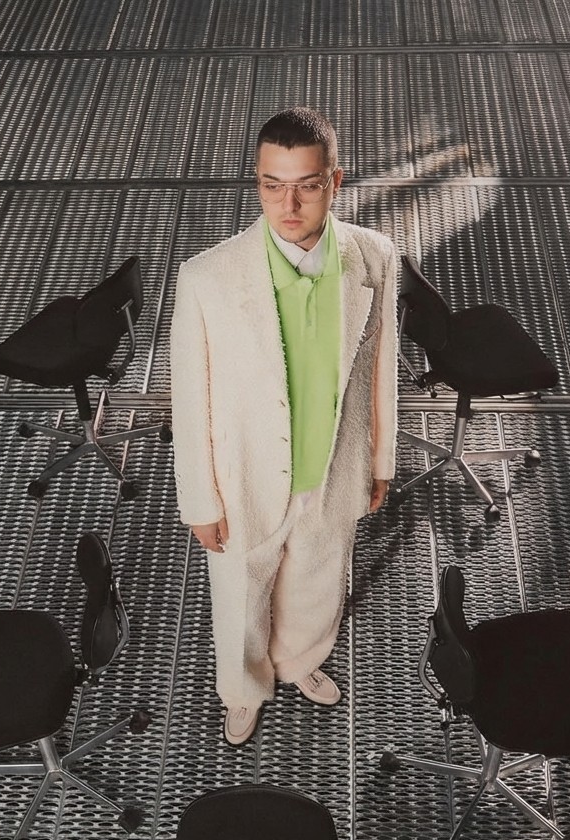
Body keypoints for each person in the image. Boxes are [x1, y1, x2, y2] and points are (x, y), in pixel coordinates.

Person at [170, 106, 397, 745]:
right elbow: (191, 399)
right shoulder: (207, 277)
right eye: (272, 184)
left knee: (318, 583)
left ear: (335, 181)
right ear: (257, 181)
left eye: (306, 185)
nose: (287, 204)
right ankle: (243, 688)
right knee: (241, 597)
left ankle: (299, 663)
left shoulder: (375, 257)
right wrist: (199, 497)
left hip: (333, 466)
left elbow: (381, 369)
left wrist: (380, 462)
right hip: (244, 479)